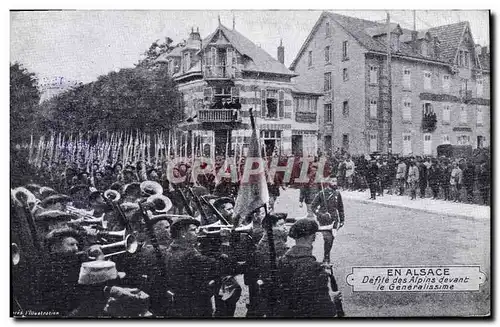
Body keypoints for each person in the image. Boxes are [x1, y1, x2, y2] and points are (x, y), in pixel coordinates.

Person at [163, 216, 234, 317]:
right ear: (183, 233)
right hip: (197, 305)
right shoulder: (190, 254)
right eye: (193, 230)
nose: (197, 233)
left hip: (180, 302)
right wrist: (225, 243)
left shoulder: (171, 249)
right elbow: (220, 267)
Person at [277, 219, 341, 317]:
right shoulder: (315, 268)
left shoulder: (282, 261)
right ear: (313, 237)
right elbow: (325, 310)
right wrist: (332, 298)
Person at [310, 177, 345, 263]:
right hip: (324, 220)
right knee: (327, 238)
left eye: (336, 181)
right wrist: (321, 214)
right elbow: (313, 206)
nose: (335, 183)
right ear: (328, 182)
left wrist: (342, 219)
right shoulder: (321, 193)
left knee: (331, 239)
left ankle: (326, 255)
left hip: (334, 219)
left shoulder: (337, 193)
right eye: (333, 181)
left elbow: (340, 207)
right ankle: (326, 258)